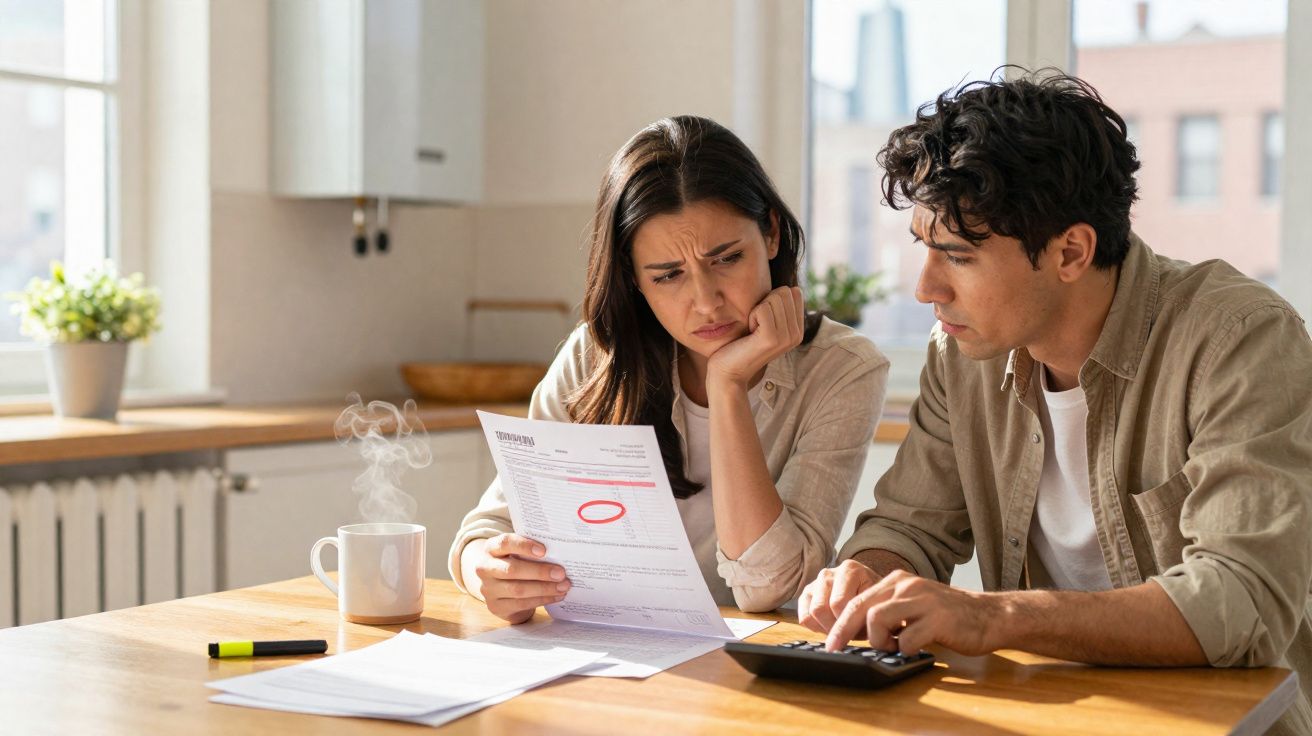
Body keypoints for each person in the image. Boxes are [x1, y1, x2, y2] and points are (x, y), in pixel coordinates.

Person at [798, 71, 1312, 735]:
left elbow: (1241, 601)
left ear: (1071, 251)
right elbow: (909, 529)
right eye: (924, 248)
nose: (926, 288)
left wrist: (991, 616)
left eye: (958, 256)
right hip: (1040, 717)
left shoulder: (1239, 339)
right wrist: (864, 575)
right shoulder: (960, 352)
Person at [450, 115, 890, 623]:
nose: (706, 301)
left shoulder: (842, 371)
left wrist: (727, 384)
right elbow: (487, 530)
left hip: (758, 659)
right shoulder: (595, 358)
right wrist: (487, 572)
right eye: (668, 276)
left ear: (770, 234)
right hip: (612, 651)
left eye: (726, 259)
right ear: (633, 279)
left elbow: (767, 587)